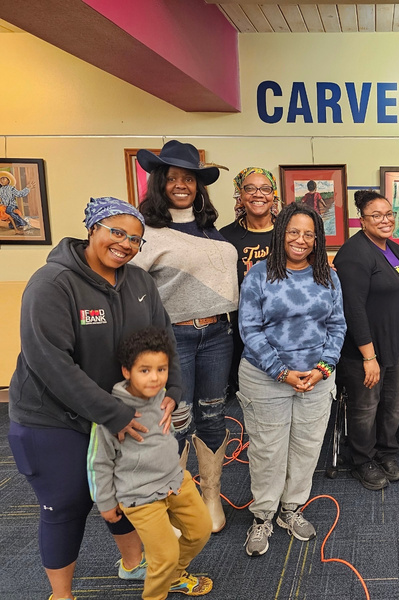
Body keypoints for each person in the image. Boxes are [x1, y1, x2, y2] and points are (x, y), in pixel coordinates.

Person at [8, 197, 180, 600]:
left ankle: (133, 564)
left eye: (135, 239)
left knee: (124, 490)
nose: (125, 244)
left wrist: (173, 389)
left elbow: (163, 339)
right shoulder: (52, 283)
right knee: (67, 504)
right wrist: (112, 412)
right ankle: (61, 595)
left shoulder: (139, 282)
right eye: (116, 232)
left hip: (115, 412)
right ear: (92, 230)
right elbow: (50, 362)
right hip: (53, 418)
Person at [133, 140, 238, 531]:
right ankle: (175, 504)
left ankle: (210, 496)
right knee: (175, 420)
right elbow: (133, 292)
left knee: (212, 415)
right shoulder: (146, 232)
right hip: (172, 339)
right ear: (159, 183)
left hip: (218, 334)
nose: (181, 185)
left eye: (189, 179)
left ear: (198, 186)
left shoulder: (210, 230)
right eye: (172, 178)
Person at [237, 203, 346, 556]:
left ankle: (291, 509)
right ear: (280, 233)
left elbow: (337, 326)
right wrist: (281, 372)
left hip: (316, 379)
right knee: (268, 451)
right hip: (265, 377)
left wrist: (323, 368)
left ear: (317, 239)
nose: (301, 240)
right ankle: (263, 516)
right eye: (293, 232)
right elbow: (249, 329)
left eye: (309, 234)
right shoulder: (259, 275)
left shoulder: (327, 276)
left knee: (306, 447)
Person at [88, 327, 213, 599]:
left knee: (201, 531)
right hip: (141, 496)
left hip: (175, 482)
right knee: (164, 556)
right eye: (145, 370)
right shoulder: (112, 412)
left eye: (161, 369)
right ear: (127, 371)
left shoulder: (163, 397)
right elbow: (100, 462)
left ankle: (174, 576)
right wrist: (105, 501)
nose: (155, 378)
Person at [333, 190, 399, 491]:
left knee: (395, 402)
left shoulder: (394, 248)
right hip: (364, 351)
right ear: (362, 220)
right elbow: (353, 309)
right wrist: (369, 357)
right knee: (366, 407)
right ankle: (362, 459)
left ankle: (386, 452)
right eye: (376, 215)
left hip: (394, 346)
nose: (385, 220)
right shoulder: (354, 254)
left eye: (389, 214)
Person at [220, 167, 281, 398]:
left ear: (273, 195)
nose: (258, 194)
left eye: (265, 189)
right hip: (242, 330)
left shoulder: (288, 233)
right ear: (240, 194)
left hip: (284, 328)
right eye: (250, 188)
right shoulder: (225, 237)